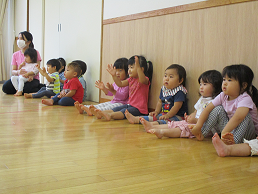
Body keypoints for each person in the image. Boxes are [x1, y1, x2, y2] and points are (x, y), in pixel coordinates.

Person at [141, 70, 223, 139]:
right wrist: (190, 116)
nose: (201, 87)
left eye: (205, 84)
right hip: (194, 122)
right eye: (200, 84)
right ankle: (152, 127)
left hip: (203, 128)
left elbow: (210, 121)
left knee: (183, 128)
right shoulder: (202, 99)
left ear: (216, 86)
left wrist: (195, 121)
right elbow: (196, 111)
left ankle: (162, 132)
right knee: (176, 123)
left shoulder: (216, 101)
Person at [191, 64, 258, 144]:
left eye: (229, 80)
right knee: (217, 109)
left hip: (248, 135)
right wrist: (198, 126)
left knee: (245, 116)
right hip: (230, 131)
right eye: (224, 79)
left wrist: (224, 133)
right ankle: (202, 133)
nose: (225, 83)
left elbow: (238, 118)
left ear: (244, 85)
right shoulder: (223, 95)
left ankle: (233, 143)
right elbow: (207, 109)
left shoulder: (245, 98)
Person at [92, 55, 153, 121]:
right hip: (130, 105)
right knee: (117, 109)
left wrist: (138, 68)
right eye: (128, 68)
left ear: (141, 69)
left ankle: (110, 115)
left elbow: (142, 80)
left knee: (124, 111)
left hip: (140, 110)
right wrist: (114, 76)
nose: (129, 70)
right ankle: (101, 113)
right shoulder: (130, 80)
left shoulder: (145, 80)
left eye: (131, 67)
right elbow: (120, 84)